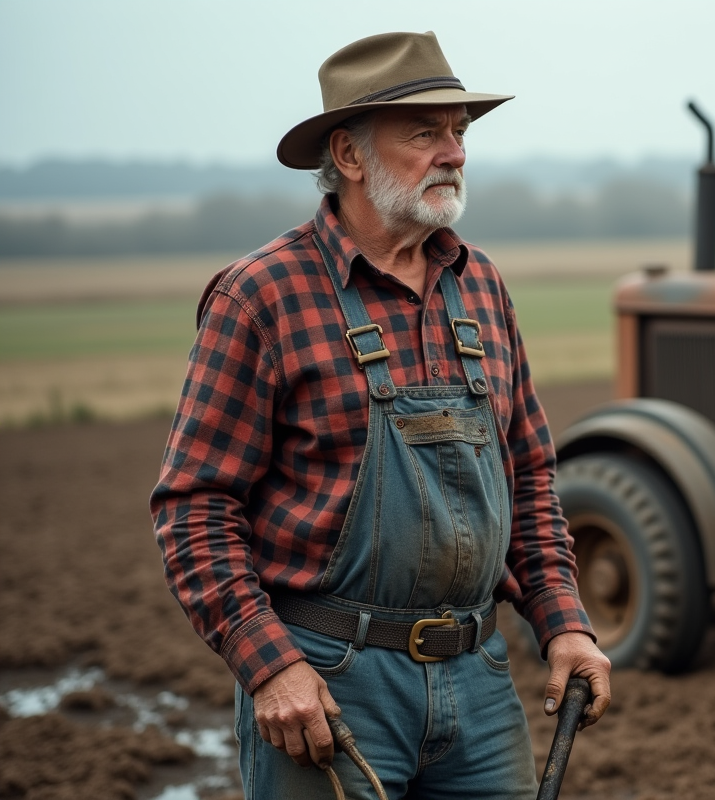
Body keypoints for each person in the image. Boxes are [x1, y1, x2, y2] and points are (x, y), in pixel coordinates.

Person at [150, 31, 611, 799]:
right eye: (425, 133)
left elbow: (528, 480)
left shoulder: (482, 286)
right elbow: (194, 508)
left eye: (459, 131)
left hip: (480, 681)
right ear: (350, 155)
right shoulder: (261, 296)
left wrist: (564, 624)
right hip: (330, 686)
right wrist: (271, 667)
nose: (454, 152)